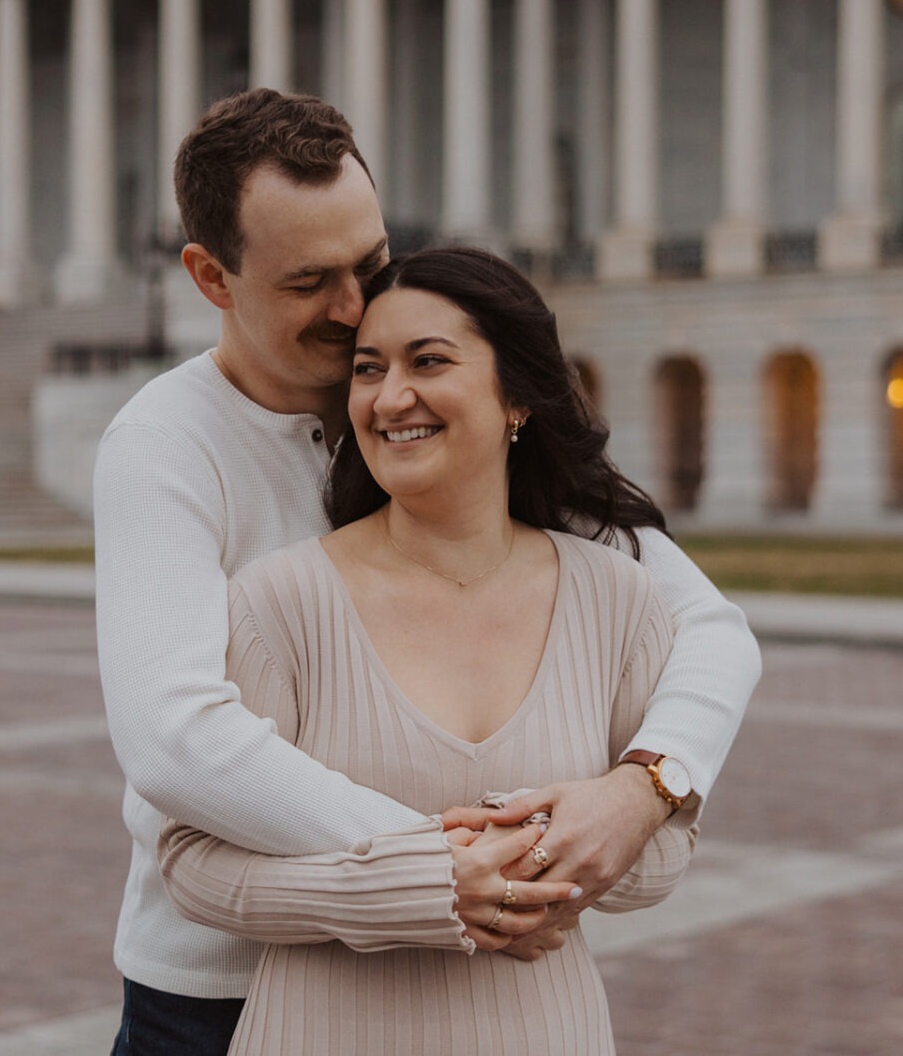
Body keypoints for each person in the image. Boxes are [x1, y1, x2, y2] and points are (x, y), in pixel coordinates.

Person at [94, 88, 761, 1055]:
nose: (356, 304)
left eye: (369, 260)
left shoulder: (442, 421)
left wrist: (641, 788)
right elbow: (176, 737)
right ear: (211, 276)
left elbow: (709, 628)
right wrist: (440, 860)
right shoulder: (162, 444)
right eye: (309, 281)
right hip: (222, 984)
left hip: (468, 976)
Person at [156, 245, 706, 1054]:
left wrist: (571, 844)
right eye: (369, 369)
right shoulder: (282, 600)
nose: (390, 397)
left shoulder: (615, 596)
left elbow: (663, 858)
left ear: (516, 394)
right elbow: (190, 861)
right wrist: (416, 888)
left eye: (429, 361)